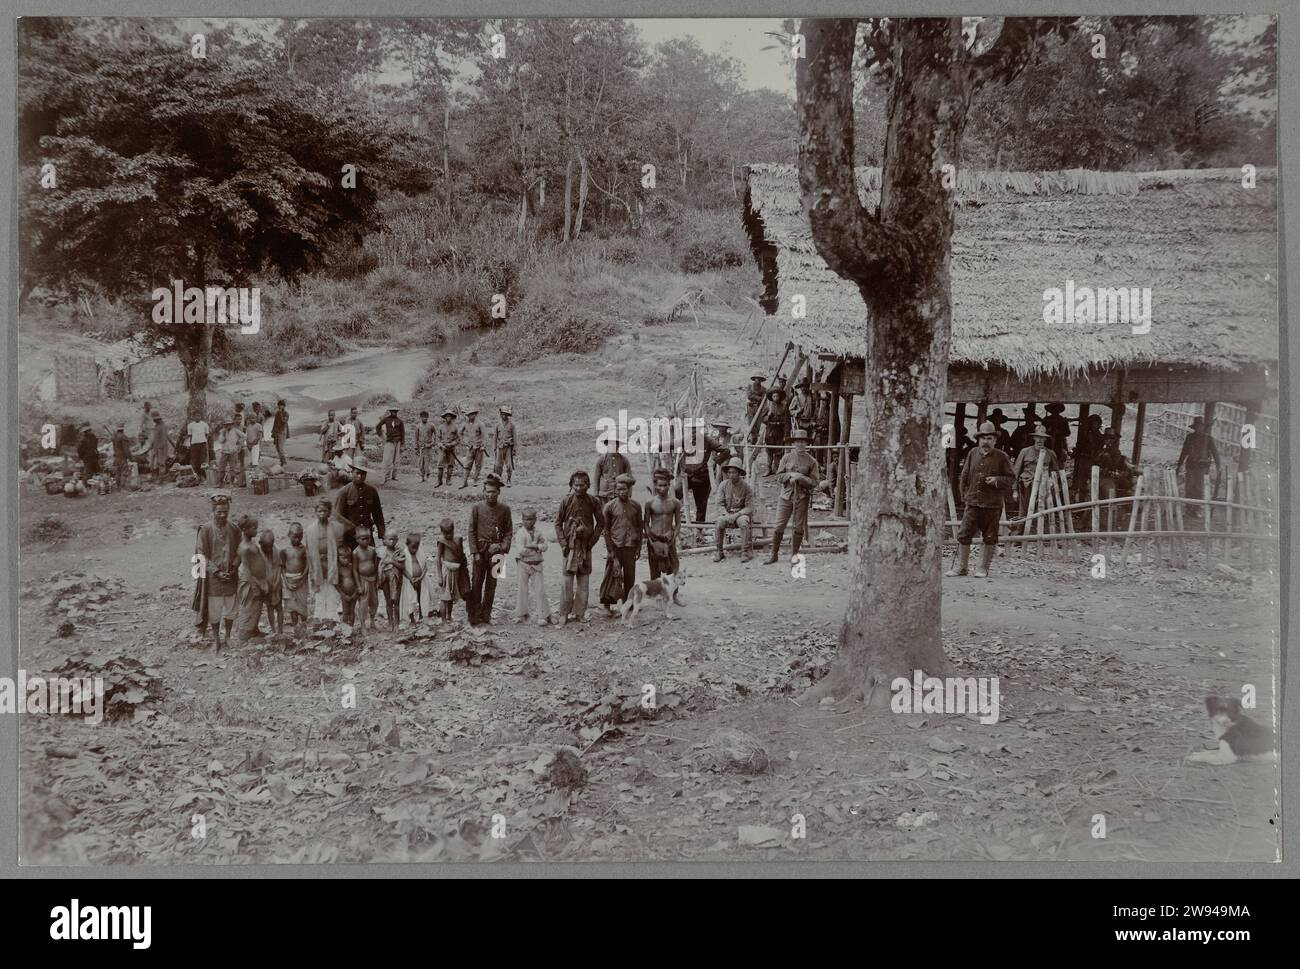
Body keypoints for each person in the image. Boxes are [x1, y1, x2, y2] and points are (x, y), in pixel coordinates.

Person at [947, 421, 1014, 579]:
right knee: (964, 534)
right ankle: (962, 568)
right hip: (973, 503)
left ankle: (983, 569)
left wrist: (997, 480)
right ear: (978, 439)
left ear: (995, 440)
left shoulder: (1001, 457)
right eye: (983, 438)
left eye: (989, 438)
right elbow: (964, 475)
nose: (986, 442)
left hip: (992, 505)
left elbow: (1011, 478)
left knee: (990, 537)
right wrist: (965, 495)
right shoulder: (972, 453)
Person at [193, 491, 242, 650]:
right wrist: (216, 571)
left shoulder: (234, 528)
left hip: (231, 576)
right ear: (212, 512)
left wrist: (234, 567)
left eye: (225, 512)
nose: (222, 515)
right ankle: (216, 639)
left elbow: (241, 549)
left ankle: (227, 636)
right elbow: (201, 554)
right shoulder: (205, 530)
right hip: (213, 578)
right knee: (214, 610)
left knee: (231, 608)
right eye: (219, 512)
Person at [766, 429, 823, 564]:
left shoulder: (811, 461)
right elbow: (778, 476)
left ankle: (794, 555)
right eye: (798, 441)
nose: (800, 444)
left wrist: (801, 477)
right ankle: (774, 555)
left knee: (798, 527)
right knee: (779, 525)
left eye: (803, 442)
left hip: (802, 497)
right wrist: (789, 476)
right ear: (794, 443)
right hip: (786, 496)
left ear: (806, 443)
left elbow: (814, 482)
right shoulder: (786, 458)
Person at [556, 470, 603, 624]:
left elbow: (601, 523)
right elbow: (557, 524)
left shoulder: (593, 501)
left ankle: (580, 613)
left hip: (585, 547)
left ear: (588, 485)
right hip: (569, 547)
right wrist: (563, 543)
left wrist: (591, 542)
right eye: (576, 485)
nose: (579, 488)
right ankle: (564, 613)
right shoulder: (566, 501)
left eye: (582, 485)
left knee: (583, 581)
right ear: (572, 485)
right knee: (567, 581)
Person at [468, 475, 513, 624]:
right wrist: (475, 553)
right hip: (480, 552)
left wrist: (502, 547)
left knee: (492, 585)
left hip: (498, 554)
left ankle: (486, 615)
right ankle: (474, 616)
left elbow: (508, 531)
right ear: (483, 491)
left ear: (499, 492)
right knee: (476, 584)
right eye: (487, 491)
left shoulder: (505, 509)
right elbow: (471, 531)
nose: (490, 495)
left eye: (493, 492)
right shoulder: (476, 508)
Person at [601, 472, 642, 611]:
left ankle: (628, 603)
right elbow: (606, 530)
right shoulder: (609, 506)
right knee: (611, 575)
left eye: (624, 489)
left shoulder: (636, 506)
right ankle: (607, 605)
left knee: (630, 577)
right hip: (615, 546)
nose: (621, 492)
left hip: (630, 546)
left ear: (629, 490)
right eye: (618, 489)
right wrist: (610, 551)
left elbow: (639, 527)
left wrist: (638, 548)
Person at [305, 498, 346, 621]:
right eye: (319, 511)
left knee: (332, 590)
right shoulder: (310, 530)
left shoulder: (337, 528)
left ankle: (332, 617)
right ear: (315, 512)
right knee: (320, 591)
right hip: (318, 564)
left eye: (325, 511)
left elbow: (340, 547)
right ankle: (319, 618)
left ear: (329, 512)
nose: (322, 513)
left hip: (332, 563)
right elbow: (308, 551)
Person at [1012, 427, 1060, 533]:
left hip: (1044, 486)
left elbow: (1055, 471)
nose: (1039, 440)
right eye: (1038, 437)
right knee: (1023, 511)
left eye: (1042, 438)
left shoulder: (1050, 453)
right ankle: (1020, 534)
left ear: (1045, 439)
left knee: (1044, 511)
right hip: (1026, 485)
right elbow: (1015, 472)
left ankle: (1044, 535)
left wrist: (1052, 481)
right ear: (1034, 437)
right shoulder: (1025, 451)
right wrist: (1014, 490)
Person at [332, 455, 385, 547]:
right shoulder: (344, 492)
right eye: (357, 473)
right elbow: (338, 517)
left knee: (370, 557)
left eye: (363, 473)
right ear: (352, 472)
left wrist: (382, 533)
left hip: (366, 534)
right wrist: (351, 530)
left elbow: (378, 514)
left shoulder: (372, 491)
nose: (360, 476)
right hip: (349, 536)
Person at [513, 509, 553, 626]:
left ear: (535, 520)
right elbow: (522, 550)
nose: (528, 522)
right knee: (522, 589)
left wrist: (534, 546)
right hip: (523, 564)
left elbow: (545, 546)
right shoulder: (520, 533)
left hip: (537, 565)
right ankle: (521, 614)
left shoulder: (539, 532)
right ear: (522, 520)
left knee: (540, 590)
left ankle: (543, 615)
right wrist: (536, 549)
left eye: (531, 519)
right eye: (526, 519)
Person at [234, 515, 270, 643]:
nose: (256, 530)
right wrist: (254, 585)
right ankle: (244, 634)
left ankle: (254, 629)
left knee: (256, 606)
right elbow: (246, 568)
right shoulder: (244, 547)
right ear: (245, 529)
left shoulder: (251, 543)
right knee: (248, 606)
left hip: (257, 580)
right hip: (250, 581)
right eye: (254, 528)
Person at [644, 467, 683, 579]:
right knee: (654, 571)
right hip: (654, 539)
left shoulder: (675, 502)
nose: (662, 488)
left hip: (669, 539)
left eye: (665, 485)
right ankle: (656, 595)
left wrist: (674, 537)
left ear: (669, 486)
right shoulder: (650, 503)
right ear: (655, 486)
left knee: (674, 569)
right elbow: (646, 523)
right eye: (660, 485)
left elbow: (678, 523)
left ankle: (673, 594)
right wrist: (650, 540)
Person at [714, 456, 755, 562]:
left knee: (744, 522)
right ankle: (719, 552)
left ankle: (744, 552)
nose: (731, 475)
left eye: (734, 472)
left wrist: (737, 515)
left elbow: (749, 507)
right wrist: (726, 515)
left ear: (739, 473)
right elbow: (719, 504)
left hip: (740, 514)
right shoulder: (723, 485)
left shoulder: (746, 487)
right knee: (719, 522)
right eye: (729, 472)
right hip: (727, 514)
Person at [1176, 415, 1220, 508]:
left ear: (1203, 427)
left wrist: (1218, 465)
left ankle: (1197, 508)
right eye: (1197, 426)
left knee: (1199, 487)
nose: (1199, 428)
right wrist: (1179, 465)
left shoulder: (1208, 438)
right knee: (1189, 486)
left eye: (1201, 426)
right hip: (1191, 465)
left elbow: (1215, 452)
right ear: (1194, 427)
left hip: (1202, 466)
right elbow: (1184, 451)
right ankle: (1188, 506)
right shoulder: (1189, 437)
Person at [435, 519, 473, 622]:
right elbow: (438, 559)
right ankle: (443, 621)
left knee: (451, 596)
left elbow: (461, 554)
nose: (448, 536)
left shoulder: (458, 539)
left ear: (453, 530)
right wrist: (439, 576)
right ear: (442, 532)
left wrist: (464, 569)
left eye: (450, 532)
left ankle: (449, 616)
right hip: (446, 571)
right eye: (445, 533)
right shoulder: (441, 541)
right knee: (444, 597)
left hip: (457, 571)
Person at [398, 531, 437, 624]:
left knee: (422, 597)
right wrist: (410, 579)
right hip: (409, 580)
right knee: (410, 599)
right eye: (412, 548)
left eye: (416, 548)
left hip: (421, 580)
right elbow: (402, 569)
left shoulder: (420, 553)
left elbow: (425, 567)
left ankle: (422, 615)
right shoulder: (404, 554)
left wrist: (420, 577)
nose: (414, 550)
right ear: (407, 545)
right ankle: (412, 619)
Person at [280, 522, 309, 638]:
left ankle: (304, 629)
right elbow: (282, 568)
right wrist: (286, 583)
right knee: (292, 608)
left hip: (301, 581)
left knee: (302, 607)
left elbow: (308, 566)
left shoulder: (304, 549)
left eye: (300, 536)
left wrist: (302, 579)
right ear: (288, 535)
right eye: (294, 536)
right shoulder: (284, 550)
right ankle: (296, 630)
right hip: (289, 581)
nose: (297, 539)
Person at [352, 529, 380, 632]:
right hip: (363, 579)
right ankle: (363, 625)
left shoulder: (372, 550)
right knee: (363, 602)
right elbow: (354, 569)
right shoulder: (355, 552)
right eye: (363, 539)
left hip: (372, 579)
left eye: (368, 538)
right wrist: (358, 585)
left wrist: (377, 578)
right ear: (357, 539)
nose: (366, 541)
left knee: (374, 601)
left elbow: (375, 565)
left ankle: (372, 622)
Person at [1096, 429, 1136, 499]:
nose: (1108, 441)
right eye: (1106, 438)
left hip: (1108, 476)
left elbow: (1113, 466)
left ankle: (1111, 508)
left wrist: (1107, 457)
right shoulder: (1099, 450)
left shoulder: (1116, 452)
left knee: (1110, 492)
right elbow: (1094, 462)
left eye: (1110, 439)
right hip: (1098, 475)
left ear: (1113, 440)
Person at [763, 385, 790, 475]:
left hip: (779, 431)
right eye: (774, 396)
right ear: (771, 397)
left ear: (780, 397)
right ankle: (768, 469)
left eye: (777, 396)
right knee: (769, 450)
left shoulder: (784, 407)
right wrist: (769, 416)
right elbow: (763, 419)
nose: (775, 398)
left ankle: (776, 468)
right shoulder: (768, 407)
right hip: (770, 431)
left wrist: (786, 435)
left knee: (779, 451)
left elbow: (787, 422)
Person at [379, 535, 403, 631]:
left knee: (396, 602)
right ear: (383, 540)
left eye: (393, 539)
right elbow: (379, 565)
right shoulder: (381, 552)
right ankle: (390, 622)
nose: (390, 541)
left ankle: (397, 623)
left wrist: (392, 562)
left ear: (397, 540)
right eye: (388, 539)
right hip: (385, 579)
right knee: (388, 602)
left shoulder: (399, 552)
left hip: (397, 579)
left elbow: (402, 567)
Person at [377, 407, 405, 484]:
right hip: (389, 442)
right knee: (387, 460)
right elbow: (378, 427)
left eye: (395, 411)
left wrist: (402, 444)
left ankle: (394, 476)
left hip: (398, 442)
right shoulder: (386, 419)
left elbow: (403, 433)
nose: (394, 413)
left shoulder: (400, 421)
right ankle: (384, 478)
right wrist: (382, 436)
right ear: (390, 412)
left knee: (396, 460)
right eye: (392, 411)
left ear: (397, 412)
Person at [461, 408, 486, 489]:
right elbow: (460, 433)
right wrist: (465, 442)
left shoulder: (480, 424)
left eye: (472, 414)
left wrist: (483, 445)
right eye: (469, 415)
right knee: (467, 464)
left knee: (478, 465)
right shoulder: (465, 424)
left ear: (475, 414)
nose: (470, 416)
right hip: (470, 448)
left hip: (479, 448)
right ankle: (464, 482)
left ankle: (475, 480)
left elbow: (484, 436)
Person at [434, 409, 459, 488]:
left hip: (451, 449)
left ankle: (448, 480)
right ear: (444, 417)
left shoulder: (455, 427)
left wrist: (451, 444)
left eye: (449, 416)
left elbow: (458, 439)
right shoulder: (441, 427)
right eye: (447, 416)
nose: (448, 418)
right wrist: (441, 445)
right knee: (440, 464)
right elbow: (437, 438)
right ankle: (439, 481)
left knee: (450, 464)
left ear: (451, 417)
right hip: (443, 448)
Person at [493, 405, 516, 487]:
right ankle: (498, 480)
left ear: (508, 415)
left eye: (506, 414)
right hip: (500, 447)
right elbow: (495, 437)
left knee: (509, 465)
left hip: (508, 448)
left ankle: (509, 479)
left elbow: (515, 437)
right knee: (497, 465)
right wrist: (494, 448)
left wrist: (514, 449)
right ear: (500, 414)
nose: (504, 416)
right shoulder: (497, 425)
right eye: (502, 414)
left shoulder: (512, 425)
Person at [414, 410, 435, 483]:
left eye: (426, 417)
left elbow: (436, 435)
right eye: (423, 417)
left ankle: (428, 476)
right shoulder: (418, 426)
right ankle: (422, 477)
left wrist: (432, 443)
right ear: (421, 418)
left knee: (427, 463)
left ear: (428, 417)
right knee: (420, 463)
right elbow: (416, 437)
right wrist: (416, 447)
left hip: (428, 447)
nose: (425, 418)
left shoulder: (431, 425)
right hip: (420, 447)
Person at [745, 375, 767, 444]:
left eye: (760, 379)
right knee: (751, 424)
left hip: (758, 408)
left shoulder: (763, 389)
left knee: (758, 424)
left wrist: (756, 397)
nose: (758, 380)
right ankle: (753, 438)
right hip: (751, 407)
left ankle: (755, 439)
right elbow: (749, 396)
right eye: (757, 379)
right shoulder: (750, 387)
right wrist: (758, 397)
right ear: (754, 379)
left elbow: (763, 399)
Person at [149, 414, 171, 482]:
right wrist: (152, 444)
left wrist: (160, 447)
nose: (154, 421)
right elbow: (155, 437)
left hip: (161, 447)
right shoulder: (156, 426)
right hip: (156, 446)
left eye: (155, 419)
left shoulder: (163, 426)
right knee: (156, 462)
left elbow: (164, 438)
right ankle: (157, 476)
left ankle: (162, 477)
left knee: (161, 462)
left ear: (159, 419)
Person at [111, 424, 132, 489]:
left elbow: (114, 447)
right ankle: (122, 487)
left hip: (116, 456)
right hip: (122, 457)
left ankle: (118, 486)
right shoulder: (123, 437)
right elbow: (126, 450)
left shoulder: (114, 436)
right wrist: (130, 457)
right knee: (124, 472)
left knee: (117, 472)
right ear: (122, 429)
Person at [271, 400, 291, 467]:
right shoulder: (277, 413)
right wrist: (273, 432)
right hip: (277, 431)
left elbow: (284, 421)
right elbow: (275, 423)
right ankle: (281, 461)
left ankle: (284, 462)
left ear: (284, 406)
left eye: (282, 405)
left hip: (282, 431)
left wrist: (280, 413)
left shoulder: (286, 413)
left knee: (281, 447)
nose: (280, 406)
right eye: (279, 405)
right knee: (277, 447)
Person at [244, 409, 264, 474]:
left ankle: (255, 471)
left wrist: (252, 444)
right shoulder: (248, 426)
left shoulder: (258, 426)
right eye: (251, 418)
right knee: (250, 458)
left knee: (255, 459)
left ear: (256, 418)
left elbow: (259, 436)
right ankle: (250, 472)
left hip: (255, 444)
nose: (252, 419)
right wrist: (247, 443)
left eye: (254, 418)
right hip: (249, 444)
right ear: (249, 419)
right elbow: (246, 435)